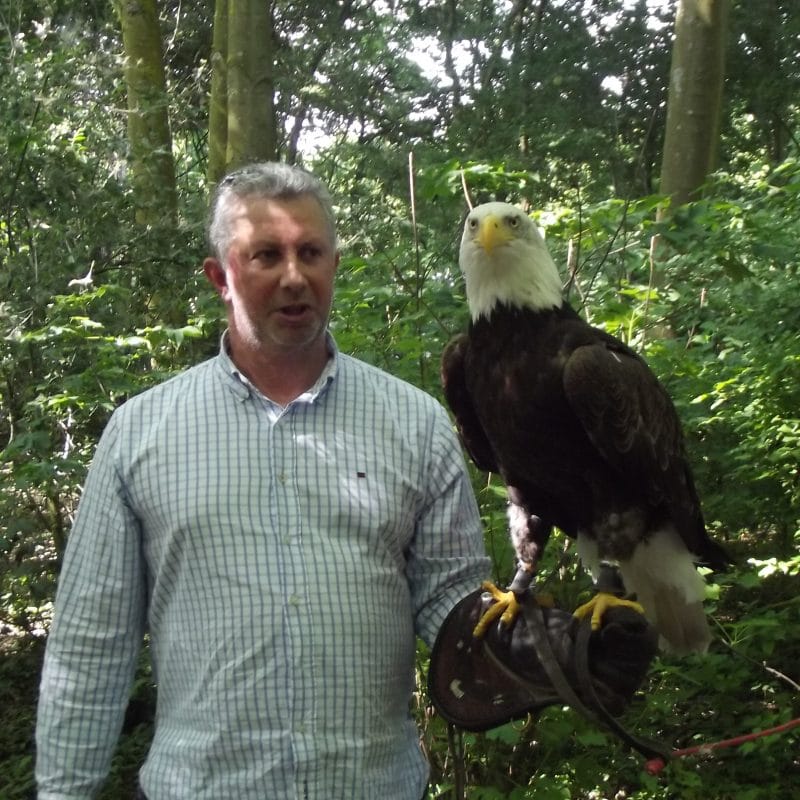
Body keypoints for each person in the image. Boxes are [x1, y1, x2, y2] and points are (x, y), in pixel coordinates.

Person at [35, 162, 489, 800]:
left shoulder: (415, 424)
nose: (294, 276)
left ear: (334, 264)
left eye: (311, 253)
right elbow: (90, 642)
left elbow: (453, 603)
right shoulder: (140, 434)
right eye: (267, 255)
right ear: (220, 277)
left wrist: (533, 649)